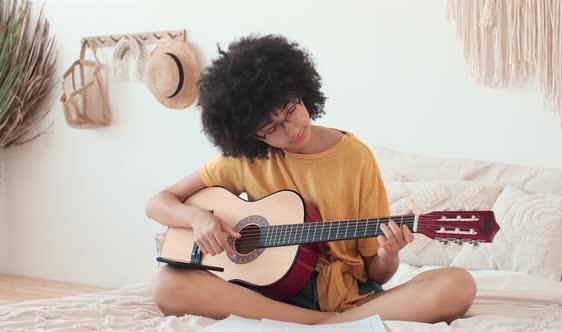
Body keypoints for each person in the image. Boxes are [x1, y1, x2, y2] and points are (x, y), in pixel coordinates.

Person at [146, 34, 476, 325]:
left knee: (457, 284)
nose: (291, 130)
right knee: (166, 284)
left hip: (343, 294)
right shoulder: (244, 161)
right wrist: (197, 217)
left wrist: (389, 253)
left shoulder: (355, 158)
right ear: (250, 136)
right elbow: (158, 203)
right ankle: (329, 324)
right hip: (262, 292)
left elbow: (377, 273)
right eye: (271, 129)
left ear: (301, 90)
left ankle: (322, 320)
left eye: (289, 111)